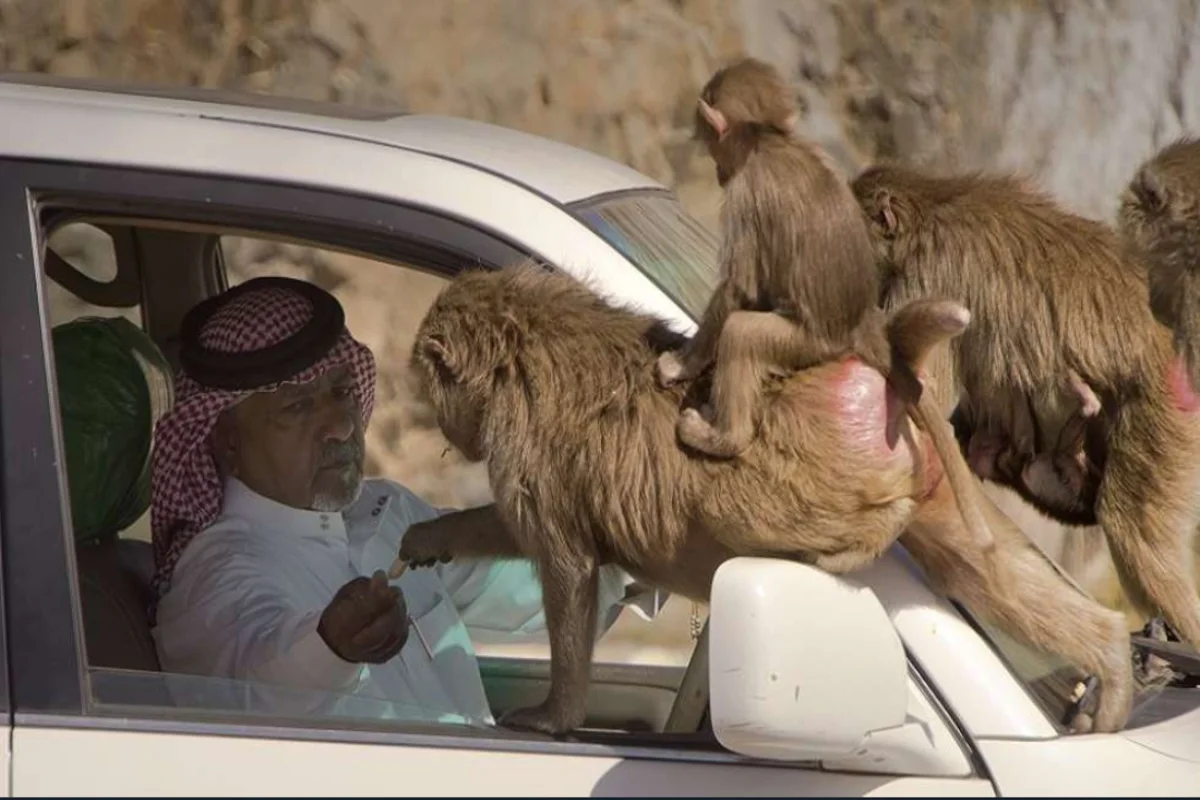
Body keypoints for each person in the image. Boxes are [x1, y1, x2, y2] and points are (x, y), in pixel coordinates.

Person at [149, 275, 660, 726]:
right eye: (299, 406)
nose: (343, 426)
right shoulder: (218, 574)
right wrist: (332, 647)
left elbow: (530, 578)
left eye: (343, 394)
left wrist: (657, 533)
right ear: (227, 443)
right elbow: (258, 684)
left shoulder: (385, 512)